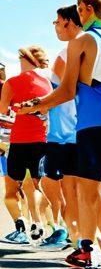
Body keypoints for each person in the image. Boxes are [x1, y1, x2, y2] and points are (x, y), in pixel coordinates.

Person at [22, 0, 101, 269]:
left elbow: (67, 90)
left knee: (92, 192)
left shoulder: (83, 41)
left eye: (80, 11)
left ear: (86, 9)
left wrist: (35, 105)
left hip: (95, 120)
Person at [1, 46, 53, 243]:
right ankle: (41, 224)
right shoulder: (46, 82)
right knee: (38, 186)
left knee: (14, 188)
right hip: (41, 139)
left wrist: (16, 107)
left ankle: (24, 225)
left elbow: (2, 110)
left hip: (18, 140)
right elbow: (48, 109)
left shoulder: (12, 82)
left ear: (23, 58)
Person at [38, 27, 81, 249]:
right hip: (80, 133)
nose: (55, 26)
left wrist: (37, 106)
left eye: (58, 21)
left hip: (63, 136)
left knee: (58, 190)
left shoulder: (66, 54)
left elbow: (61, 94)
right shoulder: (95, 51)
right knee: (76, 193)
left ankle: (75, 238)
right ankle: (80, 242)